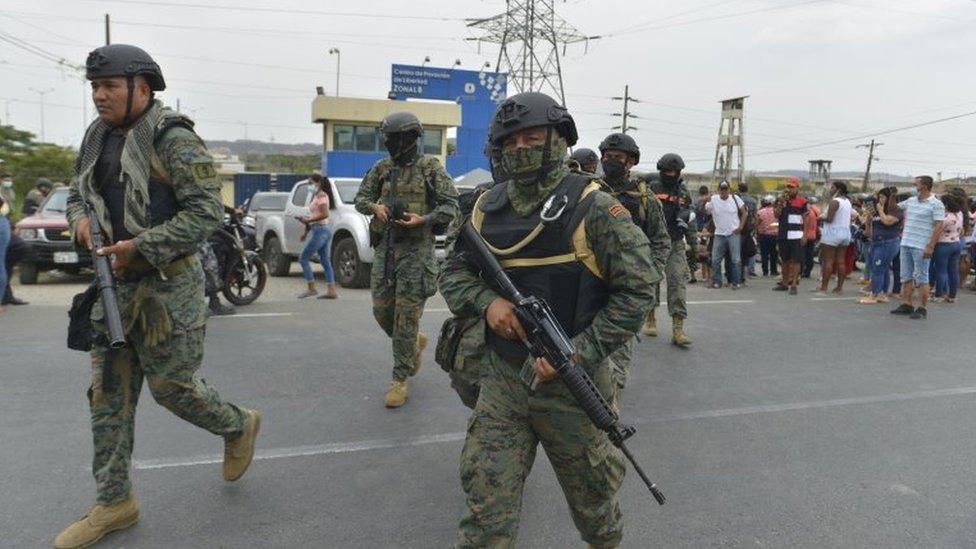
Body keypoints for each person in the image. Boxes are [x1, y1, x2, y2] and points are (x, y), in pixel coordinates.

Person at [56, 44, 260, 549]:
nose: (99, 96)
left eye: (109, 86)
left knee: (173, 389)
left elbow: (207, 213)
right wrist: (79, 219)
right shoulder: (96, 136)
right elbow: (79, 190)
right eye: (94, 87)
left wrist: (142, 246)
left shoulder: (173, 140)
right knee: (108, 398)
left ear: (142, 88)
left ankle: (237, 425)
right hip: (112, 287)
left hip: (168, 289)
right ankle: (115, 501)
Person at [439, 91, 655, 549]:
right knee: (484, 510)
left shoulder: (594, 208)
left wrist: (582, 352)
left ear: (559, 140)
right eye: (510, 141)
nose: (520, 148)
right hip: (502, 381)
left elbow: (638, 289)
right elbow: (453, 271)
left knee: (595, 509)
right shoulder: (483, 208)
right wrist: (487, 304)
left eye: (532, 137)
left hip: (573, 387)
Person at [354, 111, 458, 408]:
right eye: (388, 138)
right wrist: (376, 207)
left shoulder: (430, 168)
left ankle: (400, 379)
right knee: (382, 312)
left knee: (405, 319)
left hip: (416, 255)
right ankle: (414, 343)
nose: (391, 143)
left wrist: (422, 219)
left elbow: (451, 206)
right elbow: (360, 199)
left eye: (396, 138)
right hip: (386, 251)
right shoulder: (382, 168)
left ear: (411, 138)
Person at [594, 132, 668, 364]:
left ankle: (611, 394)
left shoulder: (645, 198)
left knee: (617, 349)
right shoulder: (591, 192)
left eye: (617, 156)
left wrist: (650, 274)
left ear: (631, 161)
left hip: (626, 284)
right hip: (593, 279)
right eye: (606, 156)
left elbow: (661, 241)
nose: (610, 161)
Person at [647, 152, 695, 346]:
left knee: (677, 284)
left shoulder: (683, 192)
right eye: (667, 171)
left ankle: (678, 329)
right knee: (651, 283)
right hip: (652, 244)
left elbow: (690, 221)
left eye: (674, 171)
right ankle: (650, 319)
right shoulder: (650, 189)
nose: (671, 174)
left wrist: (694, 246)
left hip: (675, 244)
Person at [890, 176, 945, 319]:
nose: (913, 185)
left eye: (916, 183)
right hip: (906, 243)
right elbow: (894, 208)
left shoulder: (936, 204)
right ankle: (907, 304)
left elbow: (939, 226)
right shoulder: (911, 201)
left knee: (921, 278)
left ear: (925, 186)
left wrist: (930, 246)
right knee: (906, 276)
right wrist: (892, 195)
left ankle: (922, 308)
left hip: (921, 246)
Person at [296, 173, 338, 299]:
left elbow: (325, 214)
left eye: (310, 183)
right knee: (325, 260)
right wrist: (306, 231)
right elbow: (315, 215)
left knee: (303, 258)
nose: (309, 186)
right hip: (319, 230)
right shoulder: (316, 196)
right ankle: (331, 290)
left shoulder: (321, 196)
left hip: (320, 231)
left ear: (318, 182)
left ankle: (312, 288)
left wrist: (308, 221)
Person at [859, 187, 903, 304]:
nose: (880, 199)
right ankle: (882, 294)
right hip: (876, 242)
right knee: (882, 269)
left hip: (888, 243)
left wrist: (880, 210)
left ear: (889, 198)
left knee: (878, 269)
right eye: (879, 196)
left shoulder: (896, 210)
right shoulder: (876, 209)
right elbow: (870, 219)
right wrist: (869, 222)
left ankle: (874, 294)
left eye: (883, 197)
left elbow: (887, 221)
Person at [773, 178, 811, 295]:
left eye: (792, 187)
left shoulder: (802, 201)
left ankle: (794, 284)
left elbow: (806, 218)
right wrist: (780, 204)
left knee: (796, 260)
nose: (789, 189)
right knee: (784, 260)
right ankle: (784, 283)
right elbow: (776, 215)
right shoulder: (780, 200)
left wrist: (805, 235)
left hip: (796, 235)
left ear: (797, 188)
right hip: (783, 234)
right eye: (788, 187)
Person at [814, 181, 852, 295]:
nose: (830, 189)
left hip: (832, 233)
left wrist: (820, 218)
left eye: (832, 188)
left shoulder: (834, 202)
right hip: (845, 233)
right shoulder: (848, 202)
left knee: (828, 261)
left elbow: (829, 219)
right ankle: (839, 288)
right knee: (841, 261)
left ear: (838, 190)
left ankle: (823, 288)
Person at [706, 180, 746, 289]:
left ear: (729, 190)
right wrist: (709, 200)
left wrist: (740, 227)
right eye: (722, 189)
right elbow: (708, 211)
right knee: (715, 259)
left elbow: (744, 212)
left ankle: (736, 282)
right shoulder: (714, 199)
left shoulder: (735, 199)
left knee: (736, 259)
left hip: (733, 233)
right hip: (719, 233)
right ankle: (717, 282)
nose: (724, 191)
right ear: (718, 190)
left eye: (726, 189)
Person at [931, 193, 965, 303]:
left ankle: (939, 294)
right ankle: (952, 295)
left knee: (941, 270)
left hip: (943, 244)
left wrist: (931, 244)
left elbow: (937, 231)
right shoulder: (959, 214)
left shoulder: (945, 217)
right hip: (956, 243)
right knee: (953, 271)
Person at [737, 181, 758, 278]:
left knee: (737, 252)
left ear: (738, 189)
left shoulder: (736, 199)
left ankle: (737, 273)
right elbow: (755, 217)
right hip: (748, 229)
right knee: (747, 251)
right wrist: (755, 230)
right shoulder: (753, 201)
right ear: (747, 189)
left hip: (737, 228)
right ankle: (745, 273)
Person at [756, 194, 779, 277]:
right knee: (774, 254)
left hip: (764, 236)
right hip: (775, 236)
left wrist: (756, 232)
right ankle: (773, 270)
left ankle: (765, 271)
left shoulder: (760, 212)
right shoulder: (777, 211)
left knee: (764, 254)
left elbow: (757, 223)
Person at [802, 196, 820, 279]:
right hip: (813, 235)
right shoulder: (815, 211)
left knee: (803, 255)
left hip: (805, 235)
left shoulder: (807, 212)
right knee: (809, 254)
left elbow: (803, 224)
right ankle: (807, 271)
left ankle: (803, 271)